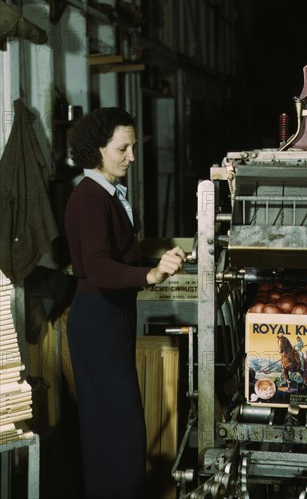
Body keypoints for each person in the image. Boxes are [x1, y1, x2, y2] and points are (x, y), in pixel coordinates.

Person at [64, 107, 186, 499]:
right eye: (123, 148)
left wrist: (159, 263)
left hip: (111, 317)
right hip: (97, 320)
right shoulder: (90, 199)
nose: (132, 157)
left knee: (111, 432)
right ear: (96, 150)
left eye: (133, 147)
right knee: (120, 432)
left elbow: (116, 260)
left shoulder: (105, 195)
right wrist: (150, 276)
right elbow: (98, 269)